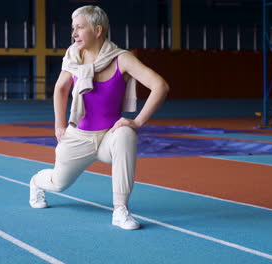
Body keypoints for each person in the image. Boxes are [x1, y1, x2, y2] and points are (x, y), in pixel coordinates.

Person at [29, 5, 169, 230]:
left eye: (79, 28)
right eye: (72, 28)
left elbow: (160, 85)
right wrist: (59, 125)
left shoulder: (122, 58)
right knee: (58, 183)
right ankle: (36, 181)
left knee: (126, 133)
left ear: (97, 30)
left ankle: (120, 210)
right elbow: (60, 89)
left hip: (108, 138)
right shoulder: (73, 57)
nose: (74, 33)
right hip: (79, 137)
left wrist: (137, 121)